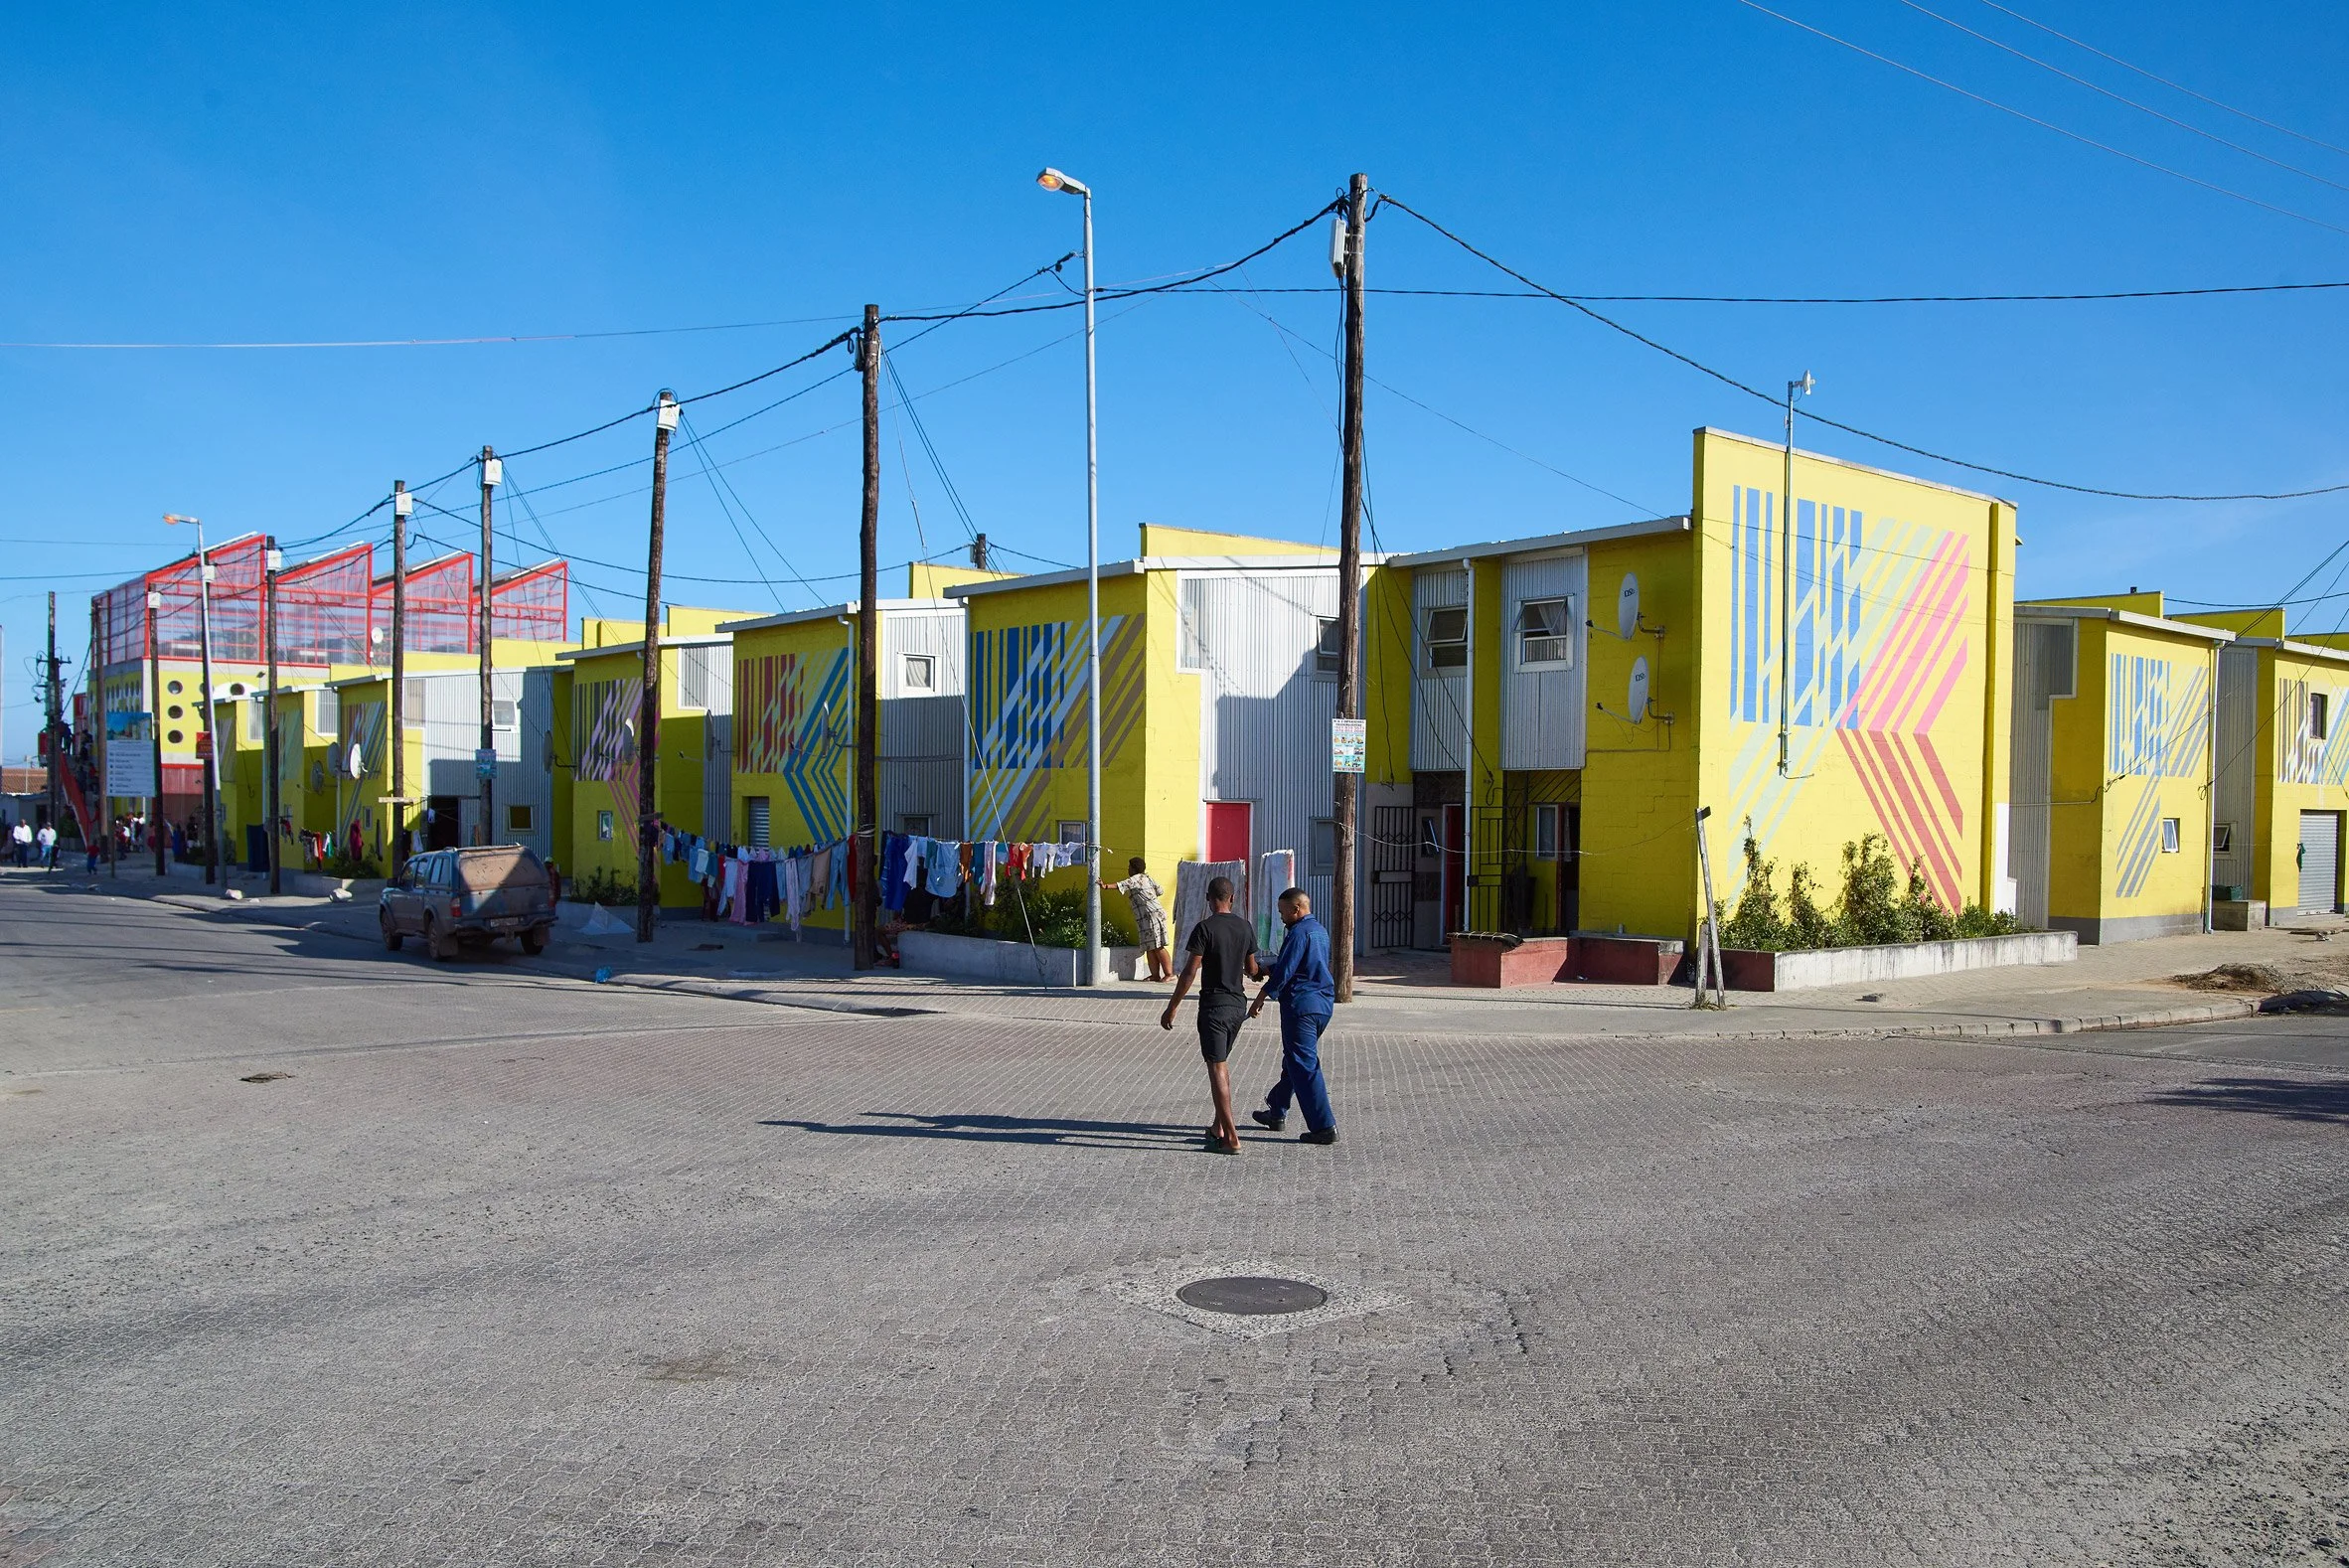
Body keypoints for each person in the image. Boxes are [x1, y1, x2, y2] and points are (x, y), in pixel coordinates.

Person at [1159, 875, 1259, 1155]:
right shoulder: (1245, 926)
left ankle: (1232, 1138)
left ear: (1208, 899)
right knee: (1222, 1065)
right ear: (1232, 898)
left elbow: (1189, 972)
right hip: (1237, 1006)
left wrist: (1172, 1006)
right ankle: (1218, 1128)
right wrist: (1261, 974)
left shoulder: (1204, 928)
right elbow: (1252, 969)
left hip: (1214, 1008)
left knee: (1217, 1069)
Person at [1249, 887, 1339, 1146]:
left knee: (1304, 1064)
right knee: (1295, 1059)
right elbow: (1298, 964)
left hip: (1302, 1006)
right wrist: (1264, 969)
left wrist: (1260, 997)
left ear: (1296, 909)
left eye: (1282, 912)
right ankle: (1277, 1110)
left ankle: (1324, 1127)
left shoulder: (1298, 932)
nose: (1281, 917)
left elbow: (1286, 971)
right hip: (1322, 1005)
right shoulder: (1319, 930)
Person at [1101, 856, 1173, 982]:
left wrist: (1105, 886)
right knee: (1149, 946)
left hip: (1152, 915)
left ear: (1134, 869)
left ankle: (1169, 974)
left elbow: (1120, 885)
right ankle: (1155, 975)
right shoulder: (1148, 878)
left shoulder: (1136, 879)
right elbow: (1160, 891)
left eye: (1129, 867)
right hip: (1145, 917)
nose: (1128, 869)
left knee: (1158, 945)